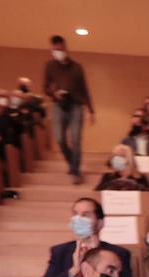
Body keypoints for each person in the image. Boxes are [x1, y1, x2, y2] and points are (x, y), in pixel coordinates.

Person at [36, 197, 136, 277]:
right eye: (75, 214)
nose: (78, 219)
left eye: (85, 215)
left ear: (100, 223)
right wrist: (73, 271)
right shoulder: (60, 251)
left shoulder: (118, 253)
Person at [42, 35, 94, 183]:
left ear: (65, 48)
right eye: (55, 49)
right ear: (52, 49)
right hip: (58, 105)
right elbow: (45, 87)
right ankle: (73, 163)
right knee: (59, 139)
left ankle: (75, 172)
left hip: (76, 105)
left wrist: (91, 110)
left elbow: (85, 89)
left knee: (76, 139)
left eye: (60, 48)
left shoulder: (77, 67)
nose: (58, 51)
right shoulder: (49, 66)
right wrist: (54, 93)